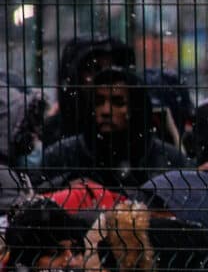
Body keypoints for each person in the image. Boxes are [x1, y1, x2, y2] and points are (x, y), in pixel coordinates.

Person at [35, 62, 191, 193]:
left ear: (134, 109)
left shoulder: (168, 160)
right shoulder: (62, 156)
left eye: (118, 103)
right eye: (99, 102)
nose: (106, 111)